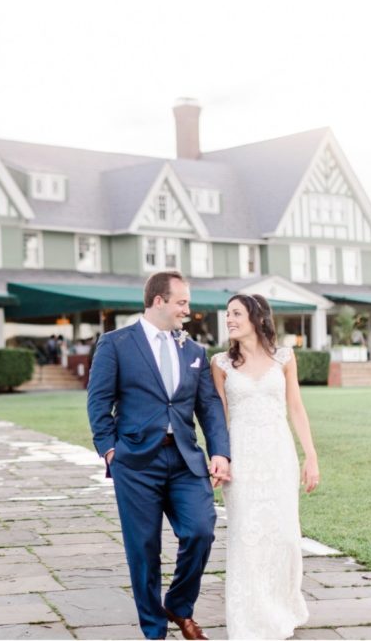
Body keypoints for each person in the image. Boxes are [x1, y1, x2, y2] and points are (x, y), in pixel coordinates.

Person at [87, 271, 230, 639]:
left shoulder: (194, 350)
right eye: (182, 302)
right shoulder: (115, 344)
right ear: (158, 301)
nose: (188, 309)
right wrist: (108, 449)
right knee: (144, 550)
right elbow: (99, 401)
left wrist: (221, 453)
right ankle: (154, 631)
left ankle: (178, 606)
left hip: (185, 459)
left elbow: (209, 407)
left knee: (201, 531)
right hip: (135, 462)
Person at [211, 294, 319, 640]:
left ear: (257, 318)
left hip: (278, 454)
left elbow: (297, 408)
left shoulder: (284, 358)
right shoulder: (220, 364)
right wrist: (220, 457)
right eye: (227, 314)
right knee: (247, 536)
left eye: (236, 313)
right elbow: (219, 417)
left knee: (285, 535)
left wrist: (311, 456)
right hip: (242, 457)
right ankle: (249, 620)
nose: (229, 319)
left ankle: (282, 607)